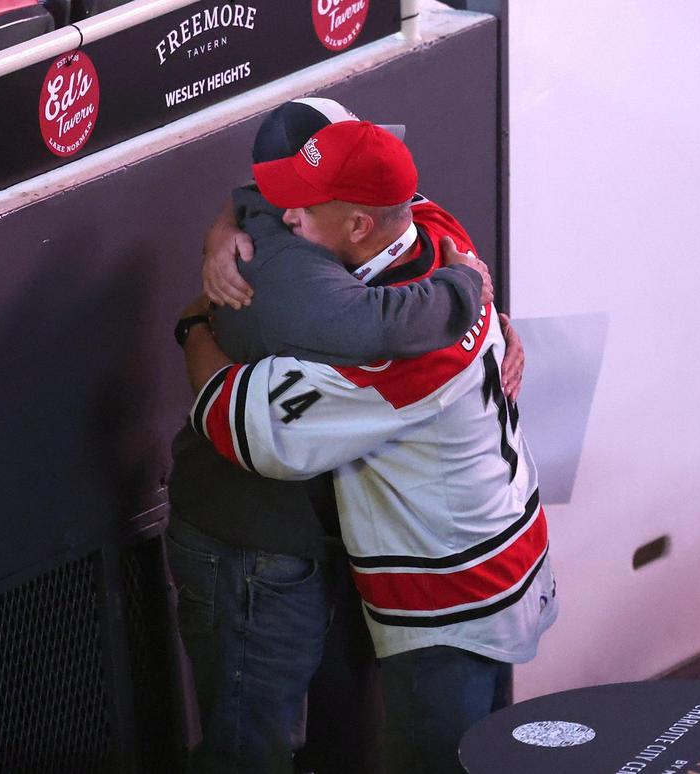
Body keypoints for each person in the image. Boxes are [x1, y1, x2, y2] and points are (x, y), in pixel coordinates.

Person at [181, 118, 557, 773]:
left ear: (358, 225)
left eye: (304, 208)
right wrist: (223, 228)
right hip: (505, 546)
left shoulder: (395, 362)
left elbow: (237, 421)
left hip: (451, 598)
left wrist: (192, 323)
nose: (286, 219)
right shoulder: (441, 233)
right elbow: (283, 193)